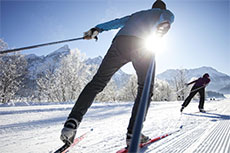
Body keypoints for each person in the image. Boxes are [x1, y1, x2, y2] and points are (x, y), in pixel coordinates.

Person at [60, 0, 174, 147]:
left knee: (97, 82)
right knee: (145, 88)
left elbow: (116, 22)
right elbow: (168, 20)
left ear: (151, 7)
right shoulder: (164, 13)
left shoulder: (136, 15)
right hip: (143, 45)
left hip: (120, 43)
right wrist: (162, 26)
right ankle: (134, 133)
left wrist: (96, 29)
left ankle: (71, 124)